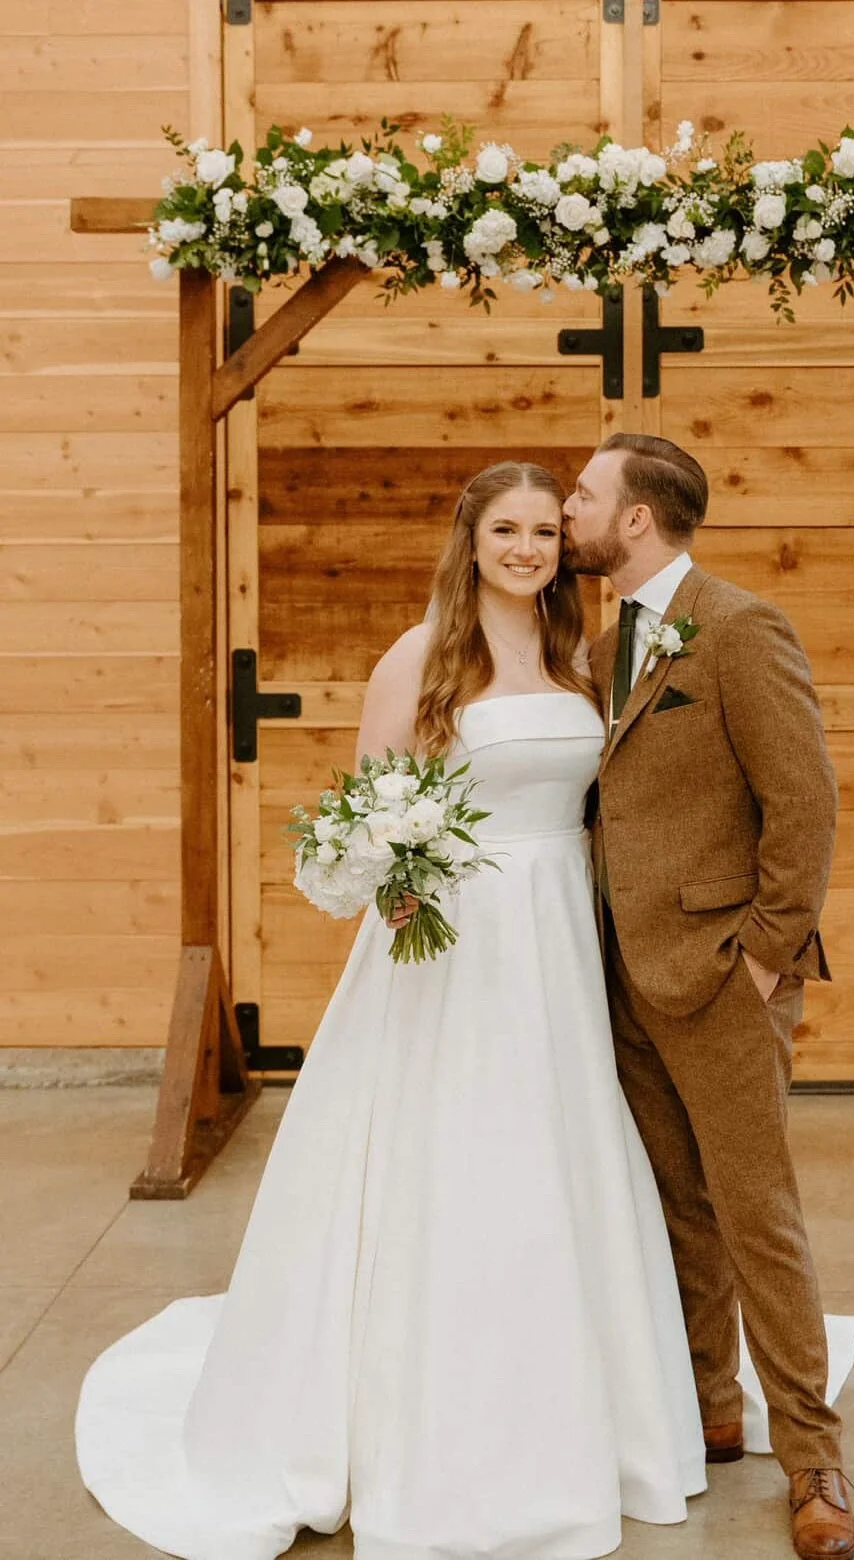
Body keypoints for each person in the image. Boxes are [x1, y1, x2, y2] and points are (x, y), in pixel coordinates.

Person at [75, 461, 708, 1560]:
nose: (527, 549)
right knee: (456, 1157)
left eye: (547, 531)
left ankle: (578, 1406)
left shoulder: (575, 659)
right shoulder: (424, 657)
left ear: (568, 546)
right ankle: (427, 1424)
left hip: (559, 935)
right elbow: (374, 804)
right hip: (457, 941)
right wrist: (395, 870)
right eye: (505, 530)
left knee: (562, 1154)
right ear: (470, 543)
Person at [562, 434, 854, 1560]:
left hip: (726, 974)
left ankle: (816, 1459)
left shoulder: (739, 629)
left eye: (585, 495)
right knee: (679, 1208)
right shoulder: (605, 646)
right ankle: (709, 1409)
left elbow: (807, 800)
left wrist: (768, 955)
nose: (571, 512)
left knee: (757, 1214)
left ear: (636, 518)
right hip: (623, 974)